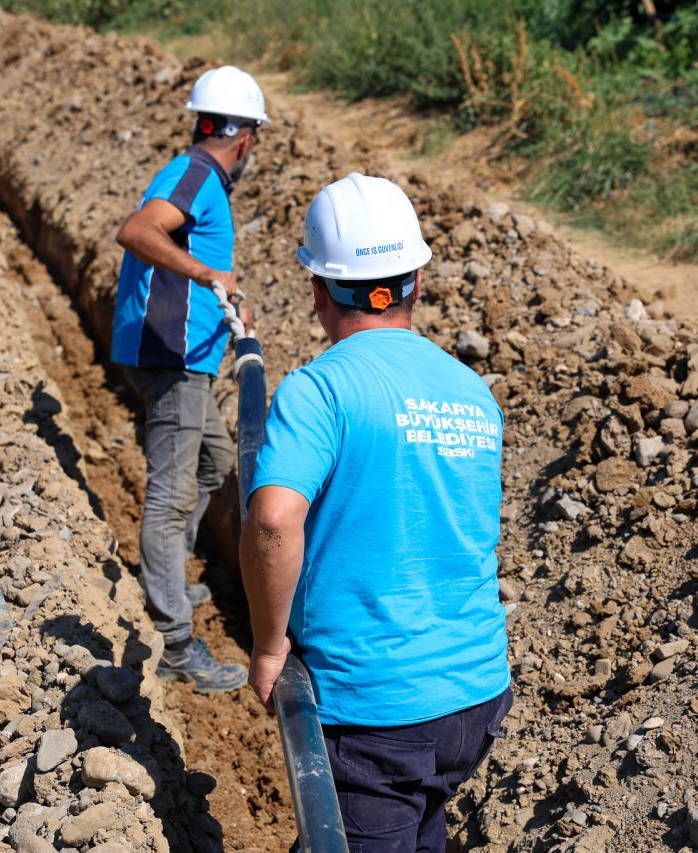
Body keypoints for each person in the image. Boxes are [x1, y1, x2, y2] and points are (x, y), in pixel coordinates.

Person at [240, 173, 512, 850]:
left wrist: (271, 645)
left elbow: (273, 520)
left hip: (376, 707)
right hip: (475, 694)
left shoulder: (319, 390)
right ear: (415, 281)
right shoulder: (473, 393)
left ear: (317, 290)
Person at [112, 65, 268, 693]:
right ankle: (175, 641)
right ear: (246, 139)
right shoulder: (197, 173)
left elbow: (191, 261)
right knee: (172, 492)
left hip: (185, 355)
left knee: (216, 461)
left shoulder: (199, 178)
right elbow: (138, 231)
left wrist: (225, 297)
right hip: (170, 358)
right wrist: (209, 277)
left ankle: (170, 571)